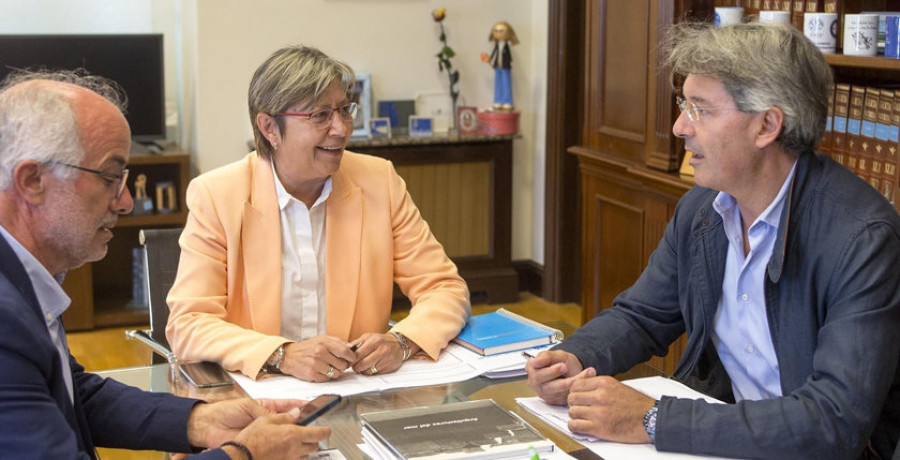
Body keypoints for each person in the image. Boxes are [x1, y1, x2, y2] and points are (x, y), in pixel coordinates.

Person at [526, 22, 900, 460]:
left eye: (700, 109)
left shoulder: (862, 239)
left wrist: (654, 419)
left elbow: (833, 421)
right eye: (684, 104)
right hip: (725, 439)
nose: (680, 126)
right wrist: (575, 355)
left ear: (767, 126)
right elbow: (643, 315)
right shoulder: (702, 209)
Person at [0, 69, 331, 459]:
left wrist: (199, 421)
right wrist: (244, 454)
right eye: (109, 177)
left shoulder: (23, 280)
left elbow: (73, 393)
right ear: (32, 180)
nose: (125, 202)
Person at [166, 45, 470, 382]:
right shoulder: (217, 196)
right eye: (320, 116)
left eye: (344, 110)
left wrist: (401, 342)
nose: (341, 129)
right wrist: (282, 354)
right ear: (269, 128)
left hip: (357, 392)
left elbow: (444, 289)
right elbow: (188, 324)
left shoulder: (379, 181)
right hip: (257, 396)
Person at [480, 21, 518, 111]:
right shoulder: (497, 45)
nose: (498, 33)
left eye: (501, 31)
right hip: (498, 65)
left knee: (506, 82)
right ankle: (498, 100)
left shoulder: (506, 45)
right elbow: (494, 53)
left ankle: (507, 101)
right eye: (496, 31)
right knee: (498, 83)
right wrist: (490, 59)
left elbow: (508, 55)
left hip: (505, 65)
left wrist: (511, 62)